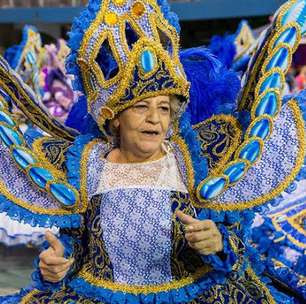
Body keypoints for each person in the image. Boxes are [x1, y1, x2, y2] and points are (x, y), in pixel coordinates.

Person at [0, 0, 305, 303]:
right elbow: (77, 247)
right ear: (114, 118)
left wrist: (218, 243)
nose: (154, 119)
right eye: (141, 107)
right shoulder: (87, 166)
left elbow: (235, 247)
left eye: (163, 108)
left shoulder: (195, 160)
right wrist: (56, 264)